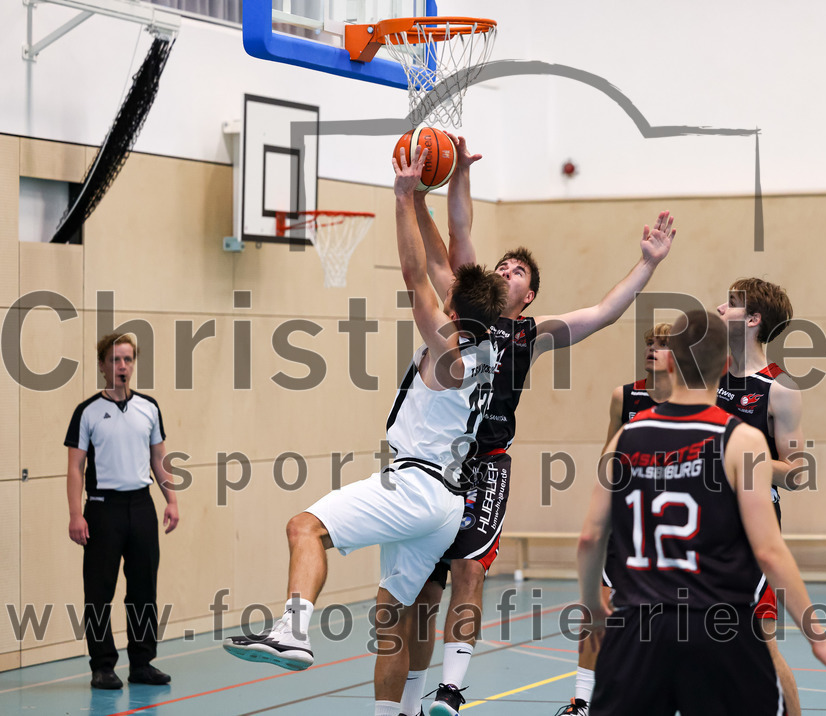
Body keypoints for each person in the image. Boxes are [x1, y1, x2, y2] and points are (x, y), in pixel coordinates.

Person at [223, 146, 508, 716]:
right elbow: (452, 246)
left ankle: (294, 631)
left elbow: (413, 271)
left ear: (452, 300)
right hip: (447, 504)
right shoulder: (488, 346)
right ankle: (394, 714)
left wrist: (404, 194)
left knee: (304, 527)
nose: (441, 280)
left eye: (446, 284)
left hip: (415, 486)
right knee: (391, 615)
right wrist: (441, 190)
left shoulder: (447, 344)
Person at [400, 135, 676, 716]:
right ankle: (405, 699)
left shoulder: (531, 333)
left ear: (528, 297)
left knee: (469, 571)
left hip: (486, 463)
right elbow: (461, 235)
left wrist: (647, 265)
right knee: (423, 592)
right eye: (502, 265)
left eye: (518, 270)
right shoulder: (463, 300)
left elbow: (603, 312)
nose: (505, 269)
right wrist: (458, 177)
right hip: (433, 460)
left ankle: (451, 690)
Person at [577, 310, 826, 715]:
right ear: (727, 367)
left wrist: (592, 604)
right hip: (719, 627)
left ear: (671, 361)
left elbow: (590, 537)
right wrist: (817, 638)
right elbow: (769, 551)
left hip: (638, 627)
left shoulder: (627, 435)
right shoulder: (741, 440)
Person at [554, 323, 673, 716]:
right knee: (597, 608)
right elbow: (608, 460)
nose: (651, 350)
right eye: (649, 344)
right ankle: (583, 699)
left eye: (661, 345)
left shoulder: (694, 402)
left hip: (671, 526)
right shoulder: (624, 396)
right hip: (628, 520)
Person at [65, 332, 180, 689]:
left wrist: (172, 501)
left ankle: (142, 662)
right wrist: (75, 513)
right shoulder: (86, 412)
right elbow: (75, 468)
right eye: (115, 360)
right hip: (102, 509)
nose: (122, 366)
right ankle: (102, 665)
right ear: (102, 366)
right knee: (99, 590)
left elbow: (158, 459)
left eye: (128, 359)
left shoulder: (149, 408)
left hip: (141, 506)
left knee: (143, 588)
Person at [715, 277, 804, 714]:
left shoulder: (779, 388)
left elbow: (796, 474)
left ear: (752, 320)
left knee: (760, 638)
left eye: (729, 304)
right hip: (704, 518)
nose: (719, 308)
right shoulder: (706, 378)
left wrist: (743, 458)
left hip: (752, 523)